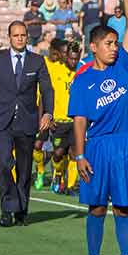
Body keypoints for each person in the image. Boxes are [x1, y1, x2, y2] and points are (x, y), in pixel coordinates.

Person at [70, 0, 128, 255]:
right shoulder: (83, 80)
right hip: (96, 148)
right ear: (94, 47)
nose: (114, 48)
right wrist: (80, 155)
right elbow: (79, 121)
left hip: (124, 145)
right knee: (97, 207)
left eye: (115, 43)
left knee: (123, 207)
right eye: (108, 44)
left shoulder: (123, 66)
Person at [0, 21, 54, 227]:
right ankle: (7, 209)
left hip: (28, 122)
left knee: (24, 169)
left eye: (23, 35)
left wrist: (48, 113)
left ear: (27, 37)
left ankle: (21, 209)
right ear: (9, 37)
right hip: (1, 122)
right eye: (16, 35)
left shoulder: (37, 61)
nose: (20, 38)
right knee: (4, 164)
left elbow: (47, 90)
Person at [34, 39, 69, 190]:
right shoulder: (42, 64)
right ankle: (40, 172)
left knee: (59, 151)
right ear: (53, 51)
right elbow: (41, 94)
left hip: (57, 115)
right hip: (40, 111)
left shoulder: (63, 67)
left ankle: (58, 175)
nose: (62, 55)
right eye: (61, 52)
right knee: (36, 145)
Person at [45, 39, 77, 194]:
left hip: (75, 121)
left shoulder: (79, 72)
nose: (72, 60)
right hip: (58, 121)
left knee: (74, 153)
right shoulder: (54, 70)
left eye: (74, 57)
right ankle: (58, 174)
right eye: (67, 55)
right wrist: (47, 116)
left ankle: (71, 186)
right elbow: (46, 94)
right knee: (58, 154)